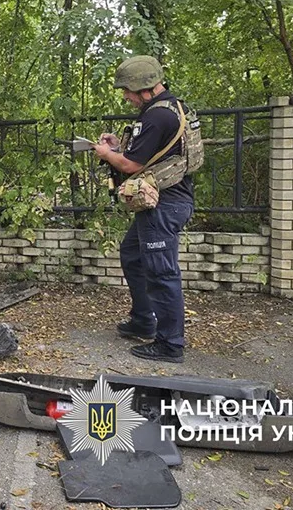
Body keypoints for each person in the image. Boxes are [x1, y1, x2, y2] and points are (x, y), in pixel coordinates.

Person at [93, 55, 195, 363]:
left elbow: (131, 164)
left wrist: (105, 153)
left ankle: (170, 344)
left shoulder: (157, 117)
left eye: (127, 90)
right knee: (133, 255)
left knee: (162, 273)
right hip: (166, 201)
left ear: (145, 88)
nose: (125, 96)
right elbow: (152, 153)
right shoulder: (173, 108)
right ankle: (143, 319)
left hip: (163, 204)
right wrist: (116, 146)